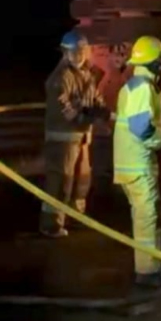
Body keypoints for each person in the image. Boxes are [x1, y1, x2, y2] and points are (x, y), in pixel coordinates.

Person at [113, 35, 161, 288]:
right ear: (153, 62)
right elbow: (142, 128)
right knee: (146, 217)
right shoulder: (142, 87)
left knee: (149, 214)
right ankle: (148, 272)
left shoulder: (134, 84)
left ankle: (154, 261)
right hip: (137, 164)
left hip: (132, 162)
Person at [41, 30, 105, 237]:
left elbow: (94, 98)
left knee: (81, 179)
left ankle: (76, 217)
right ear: (64, 53)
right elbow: (64, 110)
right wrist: (87, 117)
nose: (78, 55)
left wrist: (102, 110)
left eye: (81, 51)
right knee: (61, 181)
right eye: (73, 52)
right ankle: (51, 224)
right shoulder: (60, 78)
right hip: (63, 140)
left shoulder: (87, 75)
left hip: (81, 138)